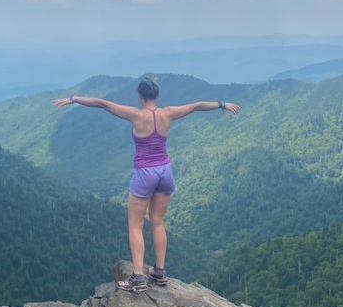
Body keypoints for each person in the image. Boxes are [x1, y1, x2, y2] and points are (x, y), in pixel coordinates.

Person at [52, 75, 241, 292]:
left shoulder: (136, 115)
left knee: (135, 225)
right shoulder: (169, 113)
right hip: (165, 171)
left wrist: (73, 98)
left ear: (140, 96)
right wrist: (223, 105)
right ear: (157, 95)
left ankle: (139, 277)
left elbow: (102, 103)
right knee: (158, 222)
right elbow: (197, 106)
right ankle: (159, 272)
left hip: (144, 174)